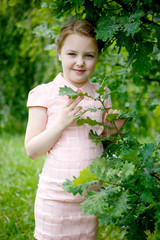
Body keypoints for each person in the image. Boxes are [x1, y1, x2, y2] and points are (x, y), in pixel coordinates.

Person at [25, 19, 125, 240]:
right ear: (59, 52)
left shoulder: (101, 93)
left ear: (97, 57)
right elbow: (32, 150)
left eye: (88, 55)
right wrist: (60, 123)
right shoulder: (44, 94)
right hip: (55, 200)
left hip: (90, 198)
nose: (80, 62)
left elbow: (104, 141)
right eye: (72, 54)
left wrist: (113, 128)